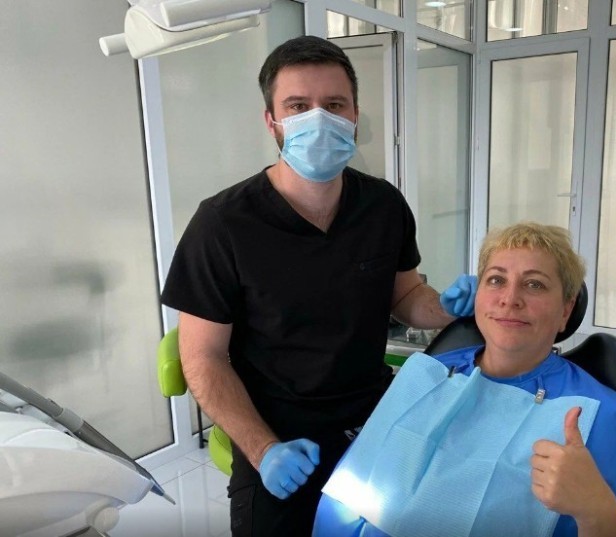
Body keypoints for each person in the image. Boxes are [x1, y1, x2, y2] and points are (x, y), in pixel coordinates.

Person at [160, 35, 476, 536]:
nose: (320, 120)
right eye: (297, 106)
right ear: (271, 121)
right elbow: (203, 358)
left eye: (334, 105)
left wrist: (445, 307)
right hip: (276, 431)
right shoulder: (222, 224)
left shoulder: (383, 206)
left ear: (355, 116)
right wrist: (264, 451)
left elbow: (405, 296)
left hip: (372, 416)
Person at [315, 222, 616, 537]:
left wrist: (596, 509)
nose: (510, 298)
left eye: (534, 285)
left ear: (566, 310)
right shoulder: (425, 375)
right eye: (496, 280)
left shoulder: (599, 416)